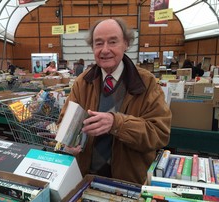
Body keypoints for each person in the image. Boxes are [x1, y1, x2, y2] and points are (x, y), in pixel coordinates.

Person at [57, 18, 172, 184]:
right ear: (92, 47)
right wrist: (67, 142)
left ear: (125, 43)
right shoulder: (82, 82)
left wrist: (117, 124)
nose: (105, 50)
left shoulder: (147, 83)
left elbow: (159, 133)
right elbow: (64, 123)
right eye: (98, 43)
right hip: (86, 180)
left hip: (128, 184)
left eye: (112, 42)